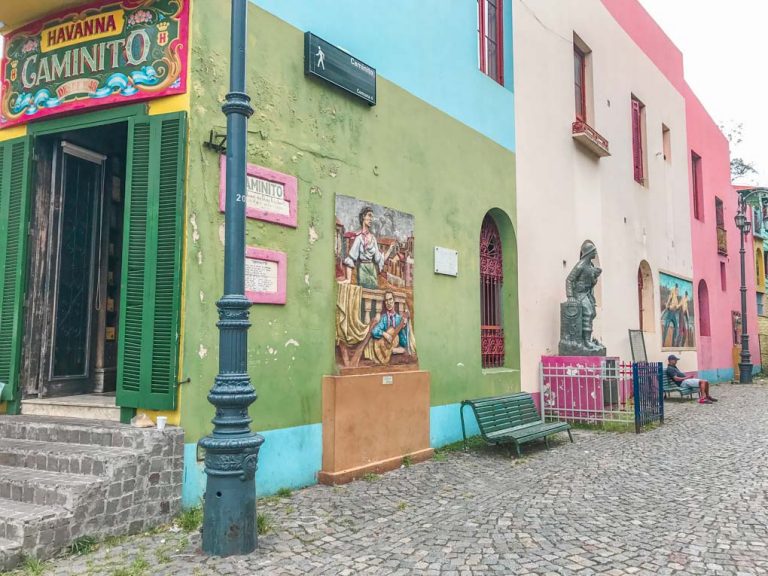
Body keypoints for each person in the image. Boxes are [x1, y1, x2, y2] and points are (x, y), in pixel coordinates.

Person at [342, 207, 395, 289]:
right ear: (363, 216)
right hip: (363, 271)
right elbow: (351, 258)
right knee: (364, 297)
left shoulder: (373, 239)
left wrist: (390, 249)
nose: (371, 219)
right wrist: (348, 279)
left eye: (372, 217)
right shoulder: (359, 238)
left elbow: (379, 259)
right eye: (369, 216)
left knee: (374, 297)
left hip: (372, 273)